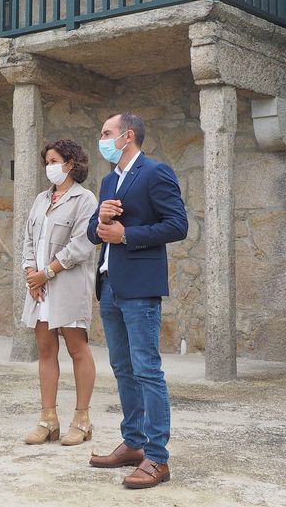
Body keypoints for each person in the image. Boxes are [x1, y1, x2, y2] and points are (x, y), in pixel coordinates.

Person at [86, 113, 188, 489]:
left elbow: (178, 225)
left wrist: (127, 234)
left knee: (147, 370)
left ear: (128, 136)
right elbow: (93, 234)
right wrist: (101, 218)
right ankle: (133, 443)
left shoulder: (155, 172)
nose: (102, 139)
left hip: (141, 286)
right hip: (109, 284)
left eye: (106, 133)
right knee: (123, 368)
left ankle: (158, 458)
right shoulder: (109, 179)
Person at [20, 139, 99, 446]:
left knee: (77, 348)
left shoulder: (85, 200)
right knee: (45, 349)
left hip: (65, 283)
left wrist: (47, 273)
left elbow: (81, 245)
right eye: (46, 162)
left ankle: (82, 419)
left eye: (54, 161)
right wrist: (31, 273)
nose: (49, 167)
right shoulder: (41, 199)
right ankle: (47, 419)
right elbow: (28, 238)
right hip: (39, 286)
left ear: (70, 162)